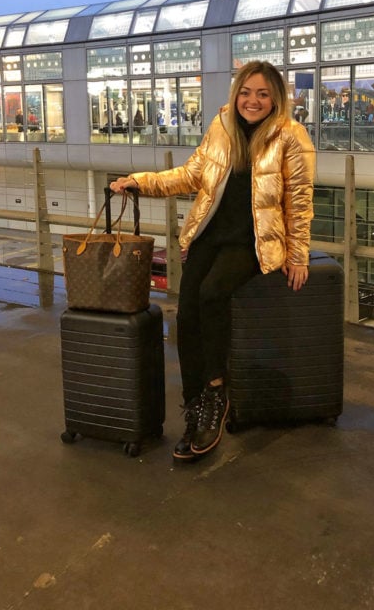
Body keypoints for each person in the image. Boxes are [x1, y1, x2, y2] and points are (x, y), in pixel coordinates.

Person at [110, 61, 315, 463]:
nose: (252, 101)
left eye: (262, 93)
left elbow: (301, 200)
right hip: (209, 235)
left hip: (254, 242)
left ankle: (216, 391)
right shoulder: (222, 127)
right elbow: (191, 175)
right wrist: (140, 181)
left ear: (276, 98)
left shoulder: (291, 136)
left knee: (212, 293)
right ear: (235, 94)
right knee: (185, 314)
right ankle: (196, 405)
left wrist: (297, 254)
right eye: (246, 92)